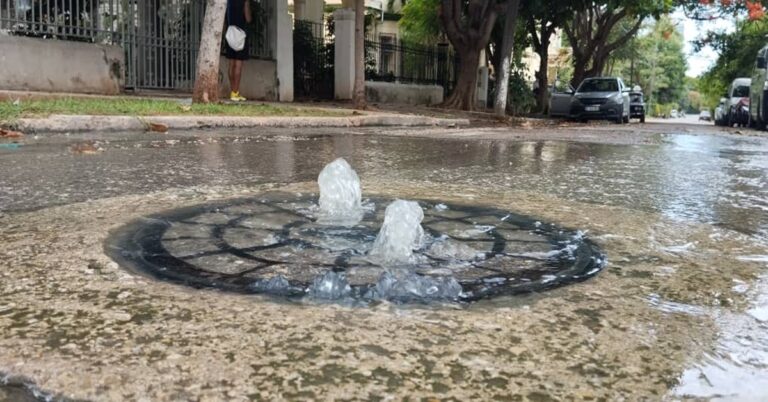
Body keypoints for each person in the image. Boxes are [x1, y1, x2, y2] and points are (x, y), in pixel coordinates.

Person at [225, 0, 252, 101]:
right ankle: (235, 93)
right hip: (240, 33)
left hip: (230, 33)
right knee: (238, 65)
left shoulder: (229, 1)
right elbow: (248, 18)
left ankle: (233, 91)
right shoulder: (244, 1)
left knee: (231, 63)